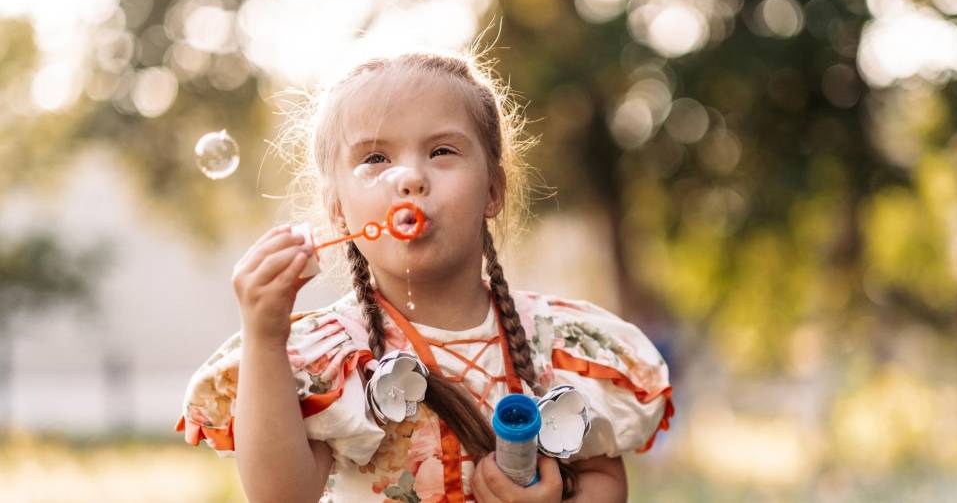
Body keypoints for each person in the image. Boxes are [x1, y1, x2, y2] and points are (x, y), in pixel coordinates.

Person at [176, 50, 673, 503]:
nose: (409, 178)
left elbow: (605, 478)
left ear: (493, 191)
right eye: (375, 158)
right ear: (339, 213)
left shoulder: (556, 341)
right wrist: (264, 335)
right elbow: (281, 497)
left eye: (441, 151)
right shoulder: (330, 357)